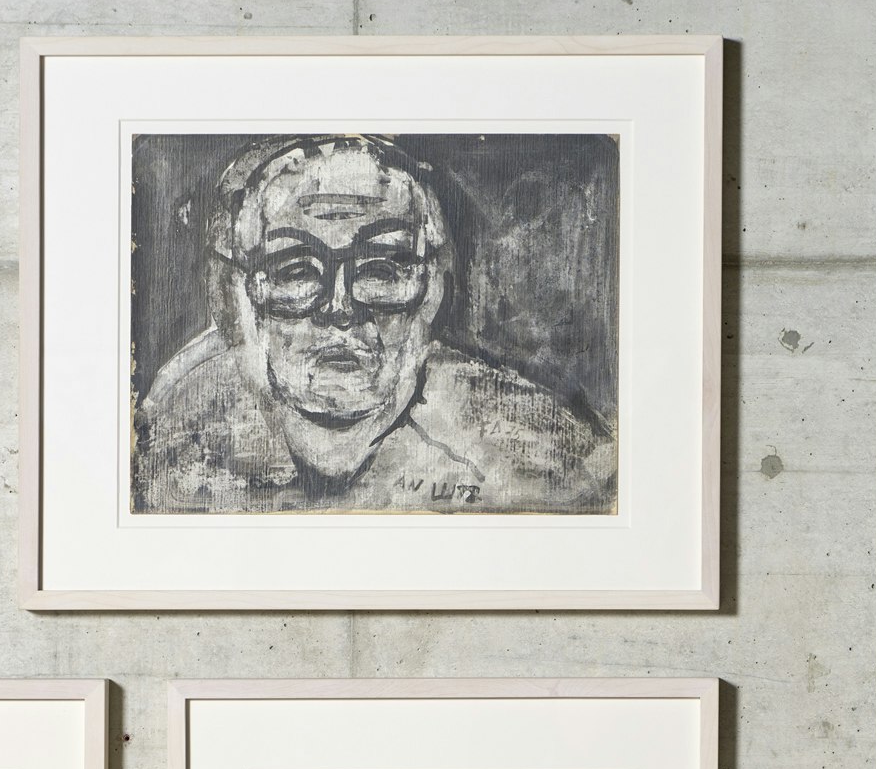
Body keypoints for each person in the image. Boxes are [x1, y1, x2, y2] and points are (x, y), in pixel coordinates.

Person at [133, 136, 615, 517]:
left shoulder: (550, 462)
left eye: (381, 268)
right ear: (237, 293)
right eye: (296, 270)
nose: (340, 309)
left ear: (433, 288)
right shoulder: (165, 443)